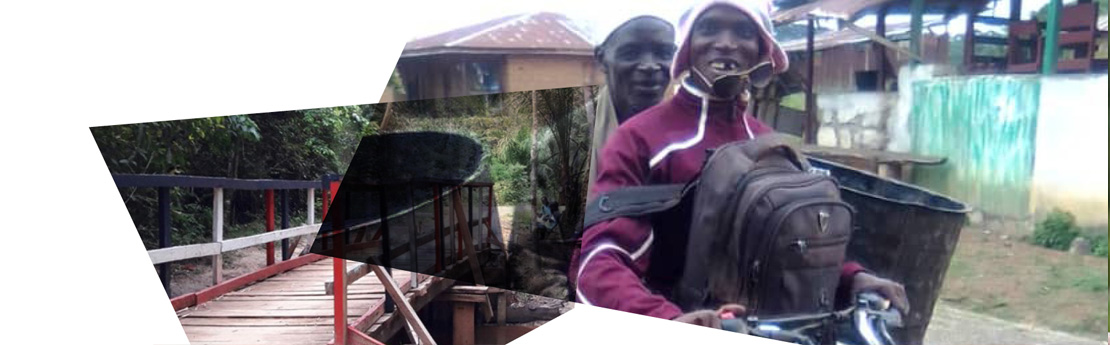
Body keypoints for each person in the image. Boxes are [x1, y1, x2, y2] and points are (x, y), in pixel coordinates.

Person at [570, 0, 908, 329]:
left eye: (744, 32)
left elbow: (788, 248)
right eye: (710, 28)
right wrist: (667, 320)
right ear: (687, 46)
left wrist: (852, 278)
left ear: (763, 49)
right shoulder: (642, 139)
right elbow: (598, 263)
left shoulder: (771, 142)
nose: (726, 43)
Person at [587, 15, 677, 201]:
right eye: (630, 53)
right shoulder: (570, 139)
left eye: (663, 53)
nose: (650, 66)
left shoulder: (688, 136)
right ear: (602, 59)